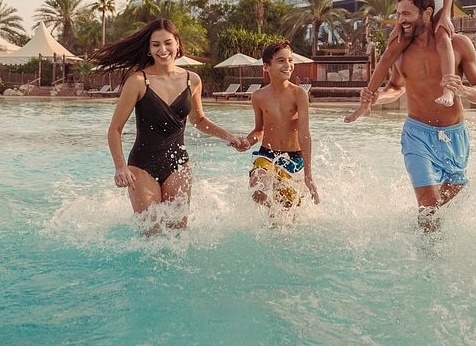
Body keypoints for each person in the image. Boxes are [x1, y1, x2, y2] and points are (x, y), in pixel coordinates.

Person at [350, 0, 476, 231]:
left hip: (454, 136)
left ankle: (422, 232)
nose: (400, 20)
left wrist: (463, 90)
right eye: (398, 14)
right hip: (417, 135)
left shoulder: (458, 44)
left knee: (446, 202)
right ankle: (427, 252)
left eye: (406, 14)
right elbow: (396, 87)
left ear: (427, 13)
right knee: (429, 205)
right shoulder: (399, 50)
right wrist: (376, 97)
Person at [94, 19, 242, 232]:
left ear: (177, 44)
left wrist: (229, 136)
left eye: (168, 43)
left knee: (177, 233)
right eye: (156, 45)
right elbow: (115, 129)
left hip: (178, 165)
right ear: (149, 49)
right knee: (151, 232)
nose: (163, 50)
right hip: (142, 166)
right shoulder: (138, 81)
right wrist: (120, 167)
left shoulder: (192, 80)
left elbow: (199, 120)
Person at [236, 40, 320, 213]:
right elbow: (259, 130)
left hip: (293, 159)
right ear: (266, 66)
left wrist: (308, 175)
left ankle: (277, 214)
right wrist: (247, 142)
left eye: (290, 60)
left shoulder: (299, 94)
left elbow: (304, 134)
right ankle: (273, 210)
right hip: (267, 154)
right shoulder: (258, 96)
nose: (288, 65)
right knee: (258, 189)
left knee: (286, 213)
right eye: (281, 61)